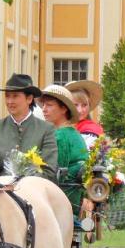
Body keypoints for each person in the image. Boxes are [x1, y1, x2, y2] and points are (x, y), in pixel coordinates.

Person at [0, 74, 58, 180]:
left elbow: (49, 170)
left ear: (29, 99)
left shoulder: (46, 129)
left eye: (15, 96)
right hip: (1, 191)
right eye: (7, 96)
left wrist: (25, 184)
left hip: (35, 190)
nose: (10, 101)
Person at [39, 85, 90, 216]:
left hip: (65, 198)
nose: (44, 109)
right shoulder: (72, 132)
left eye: (49, 105)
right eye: (43, 104)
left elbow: (56, 174)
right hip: (74, 195)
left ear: (63, 109)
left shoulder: (60, 136)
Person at [66, 80, 104, 149]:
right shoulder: (57, 125)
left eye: (84, 105)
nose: (80, 110)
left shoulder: (92, 130)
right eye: (75, 105)